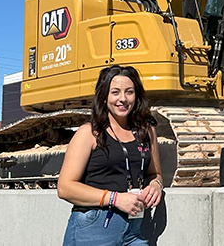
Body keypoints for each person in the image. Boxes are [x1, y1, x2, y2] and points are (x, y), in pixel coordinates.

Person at [57, 66, 163, 246]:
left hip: (135, 230)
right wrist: (115, 198)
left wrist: (156, 185)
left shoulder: (147, 132)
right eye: (115, 92)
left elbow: (155, 174)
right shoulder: (89, 133)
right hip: (93, 229)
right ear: (104, 97)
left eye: (129, 92)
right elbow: (65, 188)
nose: (122, 99)